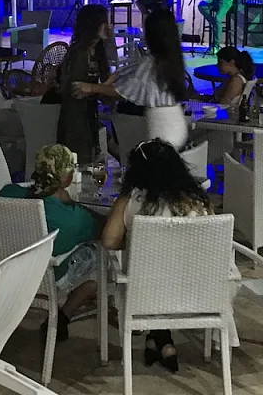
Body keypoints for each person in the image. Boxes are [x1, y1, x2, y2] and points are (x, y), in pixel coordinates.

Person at [101, 139, 213, 373]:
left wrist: (134, 243)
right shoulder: (197, 201)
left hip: (147, 295)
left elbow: (109, 241)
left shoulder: (133, 200)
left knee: (153, 273)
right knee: (167, 272)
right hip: (199, 293)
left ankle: (161, 340)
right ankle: (162, 341)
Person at [0, 144, 105, 341]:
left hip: (8, 270)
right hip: (48, 277)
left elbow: (28, 193)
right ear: (67, 178)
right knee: (102, 255)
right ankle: (65, 314)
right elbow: (104, 233)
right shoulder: (73, 219)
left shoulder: (6, 193)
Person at [72, 9, 194, 149]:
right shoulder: (174, 60)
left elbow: (125, 91)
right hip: (178, 126)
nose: (109, 26)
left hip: (159, 134)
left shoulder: (151, 65)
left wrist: (91, 87)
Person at [58, 4, 110, 163]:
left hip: (90, 115)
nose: (108, 26)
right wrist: (102, 88)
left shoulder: (97, 51)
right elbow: (76, 90)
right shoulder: (80, 53)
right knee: (82, 163)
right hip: (76, 119)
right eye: (104, 22)